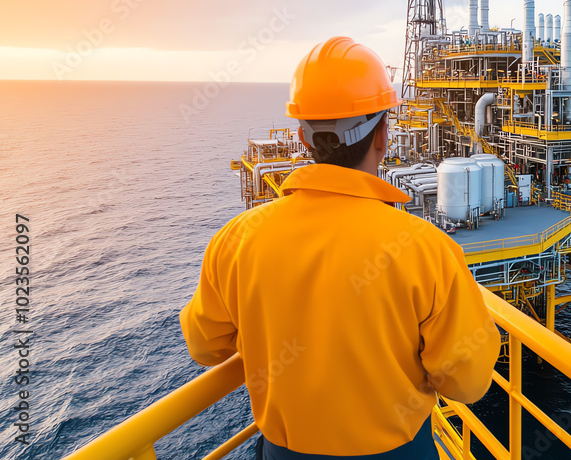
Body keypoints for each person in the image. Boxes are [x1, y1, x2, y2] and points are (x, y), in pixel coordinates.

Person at [180, 36, 501, 459]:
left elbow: (205, 346)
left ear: (302, 137)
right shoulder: (426, 249)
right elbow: (469, 381)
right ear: (384, 135)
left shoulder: (236, 239)